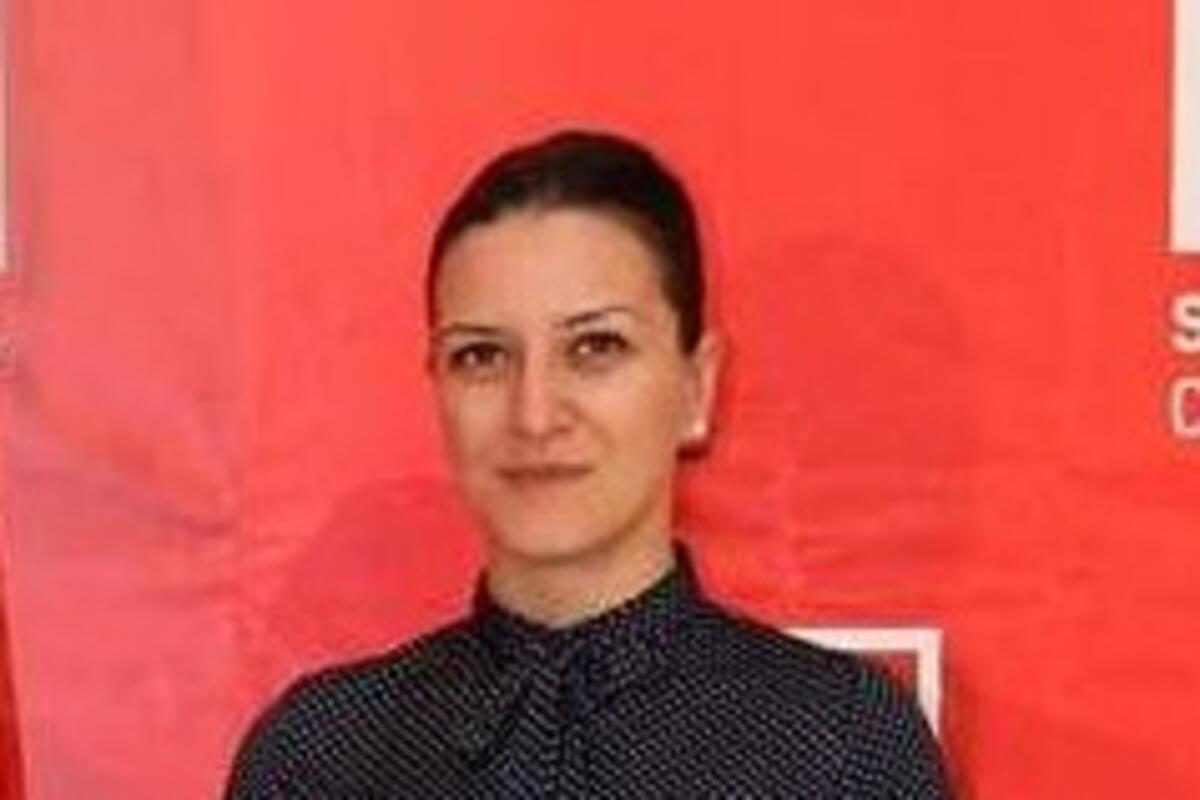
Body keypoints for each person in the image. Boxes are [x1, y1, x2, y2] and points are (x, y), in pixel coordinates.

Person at [224, 129, 953, 797]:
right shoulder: (319, 758)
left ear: (696, 387)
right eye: (481, 356)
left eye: (595, 347)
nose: (534, 414)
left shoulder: (839, 747)